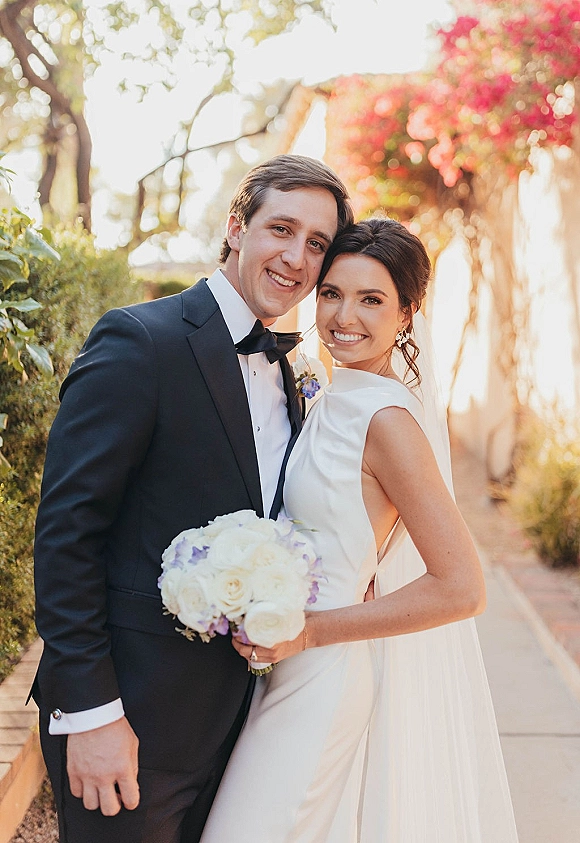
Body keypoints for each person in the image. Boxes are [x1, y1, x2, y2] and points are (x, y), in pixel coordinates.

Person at [32, 154, 354, 843]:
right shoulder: (139, 341)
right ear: (237, 226)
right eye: (282, 229)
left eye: (318, 244)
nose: (296, 257)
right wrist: (91, 713)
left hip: (239, 729)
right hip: (130, 722)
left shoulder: (295, 375)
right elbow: (66, 533)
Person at [200, 218, 519, 842]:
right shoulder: (332, 395)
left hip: (322, 674)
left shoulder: (389, 420)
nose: (345, 315)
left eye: (372, 299)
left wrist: (309, 630)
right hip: (287, 666)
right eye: (332, 293)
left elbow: (461, 587)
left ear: (407, 315)